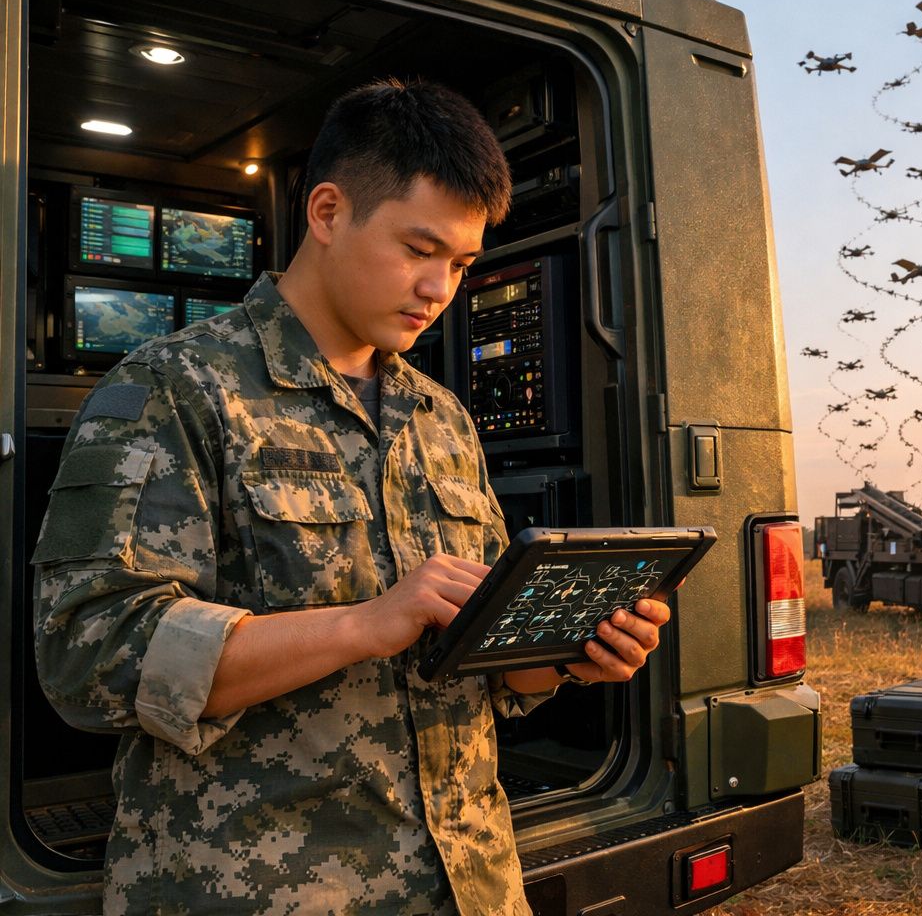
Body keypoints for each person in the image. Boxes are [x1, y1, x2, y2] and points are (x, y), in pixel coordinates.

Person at [31, 77, 670, 915]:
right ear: (328, 213)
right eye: (419, 249)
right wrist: (362, 624)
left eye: (461, 263)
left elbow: (467, 665)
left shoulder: (442, 418)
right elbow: (88, 654)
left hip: (470, 884)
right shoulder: (175, 388)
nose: (440, 288)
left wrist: (561, 654)